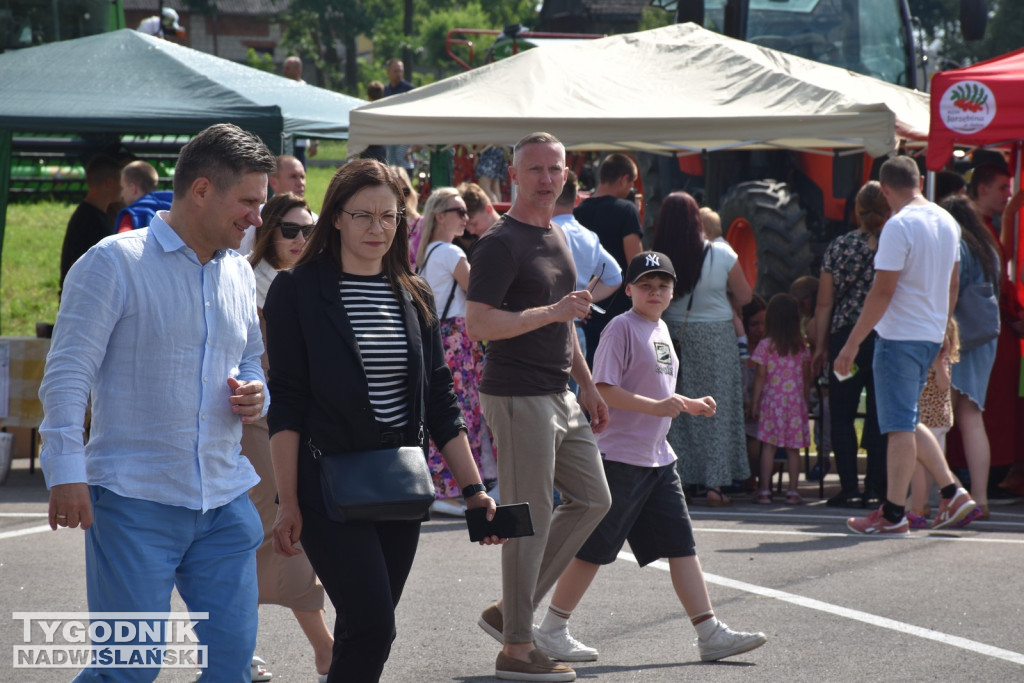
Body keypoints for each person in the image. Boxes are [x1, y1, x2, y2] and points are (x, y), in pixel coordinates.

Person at [39, 123, 275, 680]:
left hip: (222, 502)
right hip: (134, 502)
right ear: (200, 191)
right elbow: (67, 373)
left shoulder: (238, 271)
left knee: (232, 669)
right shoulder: (113, 262)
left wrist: (254, 392)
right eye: (248, 202)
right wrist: (65, 471)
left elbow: (248, 358)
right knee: (127, 670)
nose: (258, 218)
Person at [263, 159, 500, 682]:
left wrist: (474, 488)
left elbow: (440, 398)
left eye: (388, 217)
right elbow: (288, 401)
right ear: (337, 219)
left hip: (397, 483)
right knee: (374, 625)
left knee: (365, 628)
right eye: (363, 215)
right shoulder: (296, 291)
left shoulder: (415, 294)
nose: (377, 228)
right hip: (325, 485)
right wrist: (289, 501)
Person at [535, 250, 767, 664]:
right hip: (620, 458)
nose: (655, 292)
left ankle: (709, 632)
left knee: (682, 547)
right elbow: (603, 389)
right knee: (594, 550)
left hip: (659, 460)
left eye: (663, 286)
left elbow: (658, 394)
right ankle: (552, 627)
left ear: (673, 291)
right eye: (646, 285)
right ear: (629, 290)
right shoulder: (621, 328)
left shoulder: (659, 328)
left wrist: (689, 404)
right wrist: (659, 407)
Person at [467, 132, 613, 683]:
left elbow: (568, 319)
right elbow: (479, 323)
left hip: (561, 393)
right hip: (515, 393)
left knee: (594, 499)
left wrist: (590, 386)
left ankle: (511, 612)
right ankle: (517, 649)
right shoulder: (501, 242)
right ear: (515, 175)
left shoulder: (556, 234)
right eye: (536, 169)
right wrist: (550, 312)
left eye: (556, 168)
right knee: (525, 519)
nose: (547, 179)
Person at [837, 156, 979, 535]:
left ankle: (894, 513)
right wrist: (942, 335)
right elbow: (952, 284)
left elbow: (883, 291)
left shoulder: (898, 226)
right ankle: (951, 492)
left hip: (899, 336)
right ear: (918, 180)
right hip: (930, 333)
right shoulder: (946, 221)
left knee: (899, 425)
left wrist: (851, 344)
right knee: (909, 418)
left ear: (885, 190)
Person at [242, 193, 333, 680]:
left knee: (289, 536)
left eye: (308, 229)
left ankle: (322, 650)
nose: (300, 239)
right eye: (290, 230)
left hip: (304, 428)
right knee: (259, 534)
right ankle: (319, 649)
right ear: (267, 232)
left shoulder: (314, 283)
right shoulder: (246, 283)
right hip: (257, 427)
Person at [653, 191, 752, 507]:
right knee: (716, 408)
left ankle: (682, 480)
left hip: (670, 335)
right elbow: (746, 295)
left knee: (676, 407)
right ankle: (716, 484)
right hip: (717, 334)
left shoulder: (658, 258)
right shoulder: (722, 253)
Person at [415, 187, 495, 515]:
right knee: (464, 414)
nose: (465, 217)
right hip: (458, 341)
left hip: (440, 338)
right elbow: (480, 294)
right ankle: (451, 488)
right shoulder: (450, 254)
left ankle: (441, 486)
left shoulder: (428, 255)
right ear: (439, 216)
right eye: (458, 211)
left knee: (445, 413)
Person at [812, 180, 888, 508]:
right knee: (879, 414)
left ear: (856, 210)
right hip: (885, 337)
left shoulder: (840, 246)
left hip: (846, 340)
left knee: (842, 413)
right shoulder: (895, 244)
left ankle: (848, 488)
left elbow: (824, 304)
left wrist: (819, 346)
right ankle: (878, 487)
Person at [942, 194, 1003, 519]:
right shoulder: (987, 247)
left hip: (955, 340)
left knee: (936, 422)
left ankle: (939, 497)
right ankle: (980, 498)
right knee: (972, 418)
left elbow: (950, 290)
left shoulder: (957, 246)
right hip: (984, 342)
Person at [573, 153, 645, 365]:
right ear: (623, 179)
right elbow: (636, 264)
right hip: (617, 310)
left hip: (583, 308)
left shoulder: (578, 212)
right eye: (631, 183)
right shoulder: (626, 211)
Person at [552, 170, 624, 371]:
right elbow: (614, 276)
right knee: (571, 400)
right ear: (576, 198)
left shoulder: (545, 230)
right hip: (575, 329)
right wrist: (583, 300)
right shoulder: (589, 237)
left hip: (545, 329)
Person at [750, 293, 812, 505]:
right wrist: (806, 400)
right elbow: (806, 377)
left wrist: (756, 401)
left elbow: (760, 375)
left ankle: (765, 490)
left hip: (771, 402)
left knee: (768, 446)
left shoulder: (766, 345)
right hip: (795, 403)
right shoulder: (801, 347)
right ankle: (793, 491)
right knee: (793, 448)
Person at [907, 319, 960, 528]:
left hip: (929, 419)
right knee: (935, 465)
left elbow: (943, 383)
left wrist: (937, 364)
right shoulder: (941, 357)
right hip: (938, 418)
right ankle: (924, 504)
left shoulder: (939, 358)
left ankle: (919, 507)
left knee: (922, 465)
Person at [58, 153, 123, 297]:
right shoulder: (90, 221)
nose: (123, 187)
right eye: (121, 181)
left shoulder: (94, 215)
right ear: (109, 183)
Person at [700, 207, 750, 358]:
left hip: (724, 289)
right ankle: (742, 341)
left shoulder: (718, 248)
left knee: (734, 315)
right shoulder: (724, 244)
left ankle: (742, 342)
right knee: (735, 315)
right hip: (725, 288)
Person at [239, 155, 313, 255]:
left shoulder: (313, 218)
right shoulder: (255, 218)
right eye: (293, 177)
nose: (300, 183)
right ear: (274, 182)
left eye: (302, 177)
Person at [115, 160, 173, 232]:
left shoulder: (131, 216)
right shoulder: (177, 209)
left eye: (122, 188)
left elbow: (121, 241)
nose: (122, 194)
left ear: (133, 188)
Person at [282, 56, 318, 165]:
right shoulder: (281, 89)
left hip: (299, 140)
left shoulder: (306, 91)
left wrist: (314, 142)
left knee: (297, 170)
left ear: (298, 70)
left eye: (288, 68)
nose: (284, 71)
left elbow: (312, 115)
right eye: (285, 68)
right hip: (282, 139)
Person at [383, 58, 415, 173]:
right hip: (390, 132)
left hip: (405, 132)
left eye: (401, 71)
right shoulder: (385, 91)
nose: (399, 74)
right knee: (390, 164)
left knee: (403, 160)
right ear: (388, 72)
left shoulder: (409, 89)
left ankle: (407, 185)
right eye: (396, 71)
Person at [458, 181, 503, 254]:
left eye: (474, 224)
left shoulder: (513, 238)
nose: (471, 231)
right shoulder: (470, 241)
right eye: (466, 225)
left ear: (488, 210)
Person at [360, 81, 388, 164]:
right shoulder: (385, 112)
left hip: (366, 152)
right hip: (381, 152)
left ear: (368, 96)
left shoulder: (363, 112)